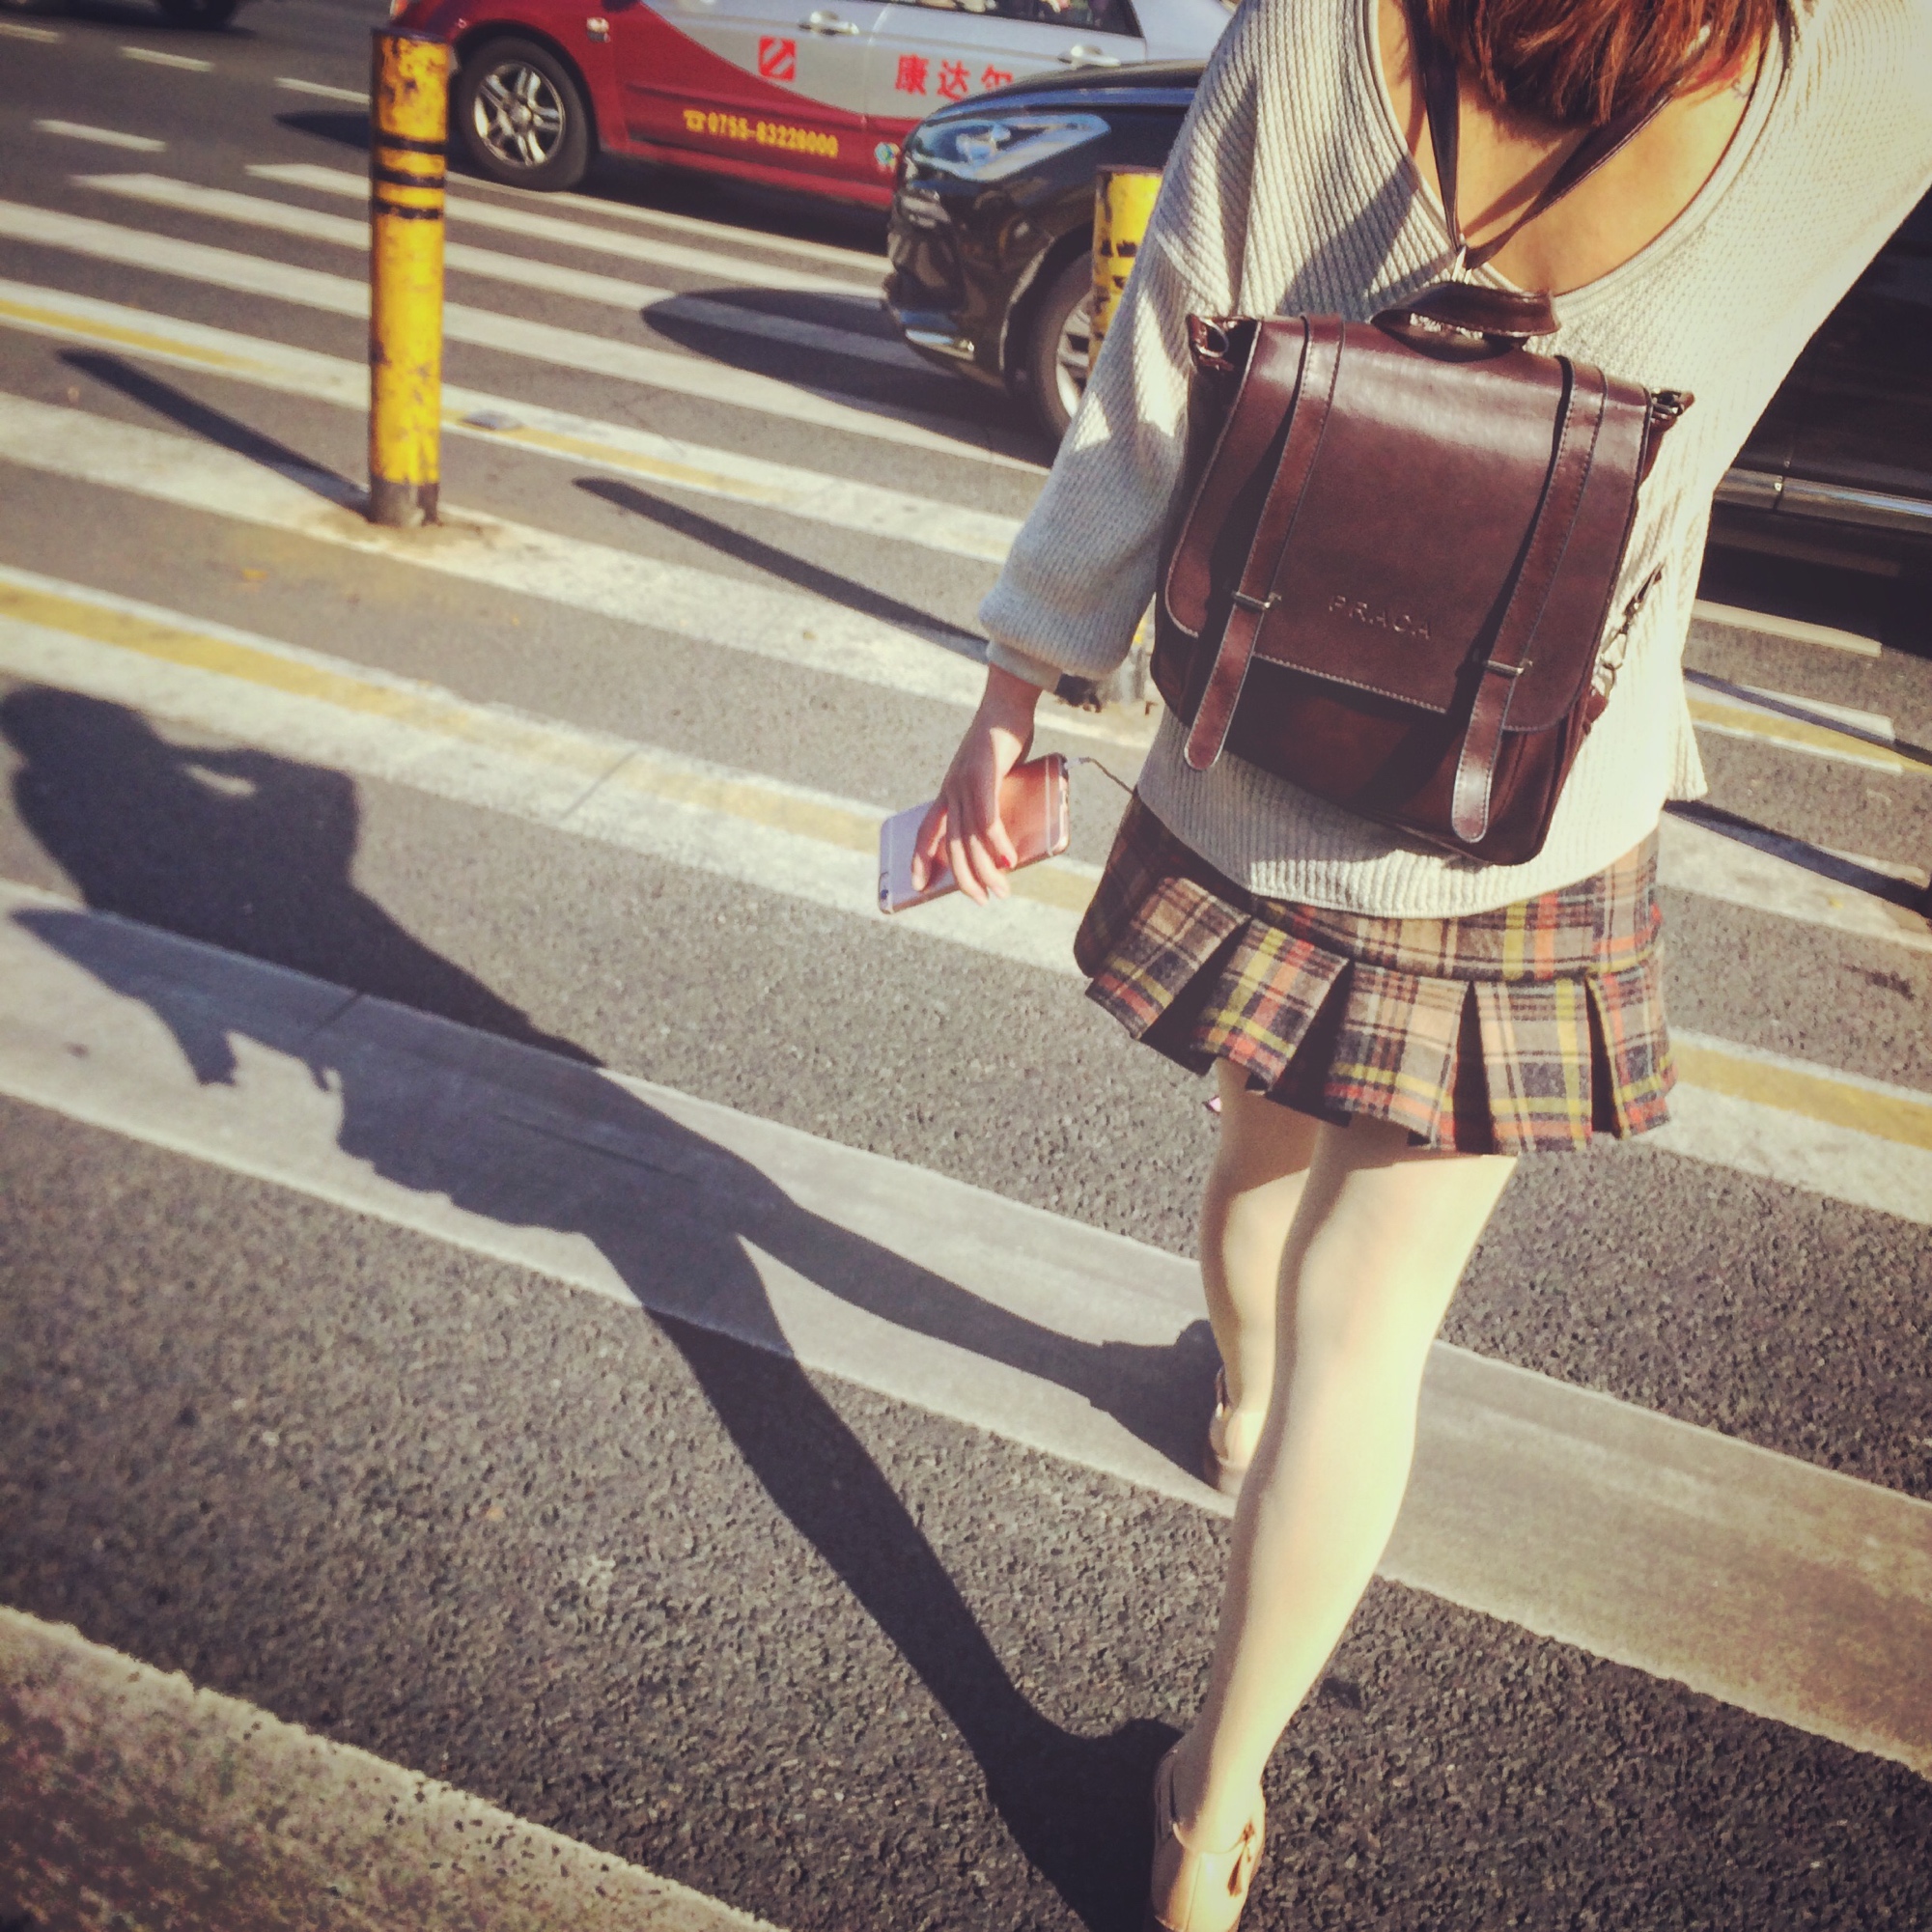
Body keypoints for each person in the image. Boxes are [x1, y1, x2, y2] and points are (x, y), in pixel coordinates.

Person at [910, 0, 1932, 1923]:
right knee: (1370, 1332)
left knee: (1256, 1145)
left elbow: (1153, 377)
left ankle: (1232, 1404)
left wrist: (1014, 691)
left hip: (1261, 766)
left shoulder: (1324, 17)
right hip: (1532, 817)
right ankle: (1208, 1822)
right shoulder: (1862, 76)